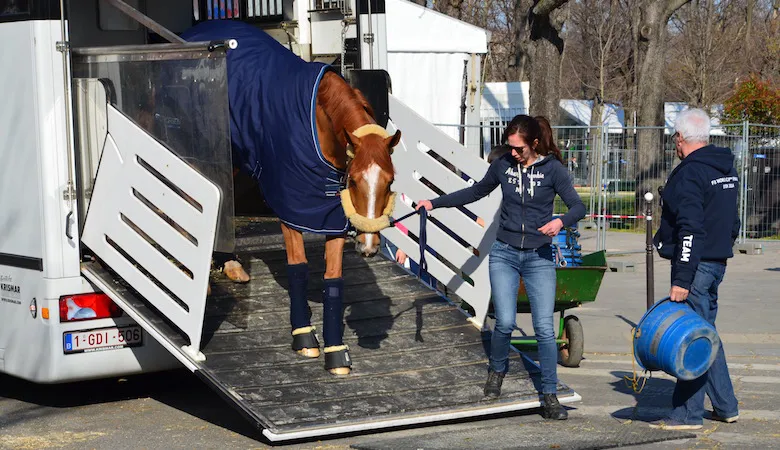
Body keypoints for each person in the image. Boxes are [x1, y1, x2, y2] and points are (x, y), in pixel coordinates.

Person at [416, 115, 585, 420]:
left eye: (519, 148)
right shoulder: (503, 165)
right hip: (504, 253)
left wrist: (560, 222)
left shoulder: (553, 170)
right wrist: (434, 203)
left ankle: (550, 395)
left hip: (539, 257)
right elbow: (474, 192)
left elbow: (578, 206)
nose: (514, 153)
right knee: (505, 322)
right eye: (510, 147)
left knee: (545, 329)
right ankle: (497, 371)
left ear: (534, 143)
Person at [650, 108, 741, 430]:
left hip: (697, 267)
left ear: (680, 138)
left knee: (692, 338)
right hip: (716, 262)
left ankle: (687, 414)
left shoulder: (690, 173)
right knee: (707, 334)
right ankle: (726, 405)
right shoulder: (725, 168)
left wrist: (682, 279)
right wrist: (722, 249)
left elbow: (690, 229)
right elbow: (733, 220)